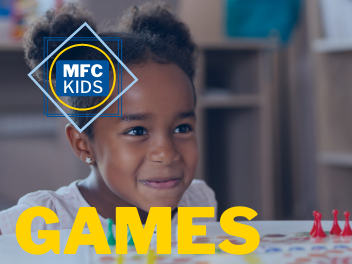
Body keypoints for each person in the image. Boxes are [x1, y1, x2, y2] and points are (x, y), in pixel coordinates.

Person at [0, 2, 217, 235]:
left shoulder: (198, 201)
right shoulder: (44, 220)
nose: (166, 153)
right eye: (137, 131)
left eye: (182, 128)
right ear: (83, 145)